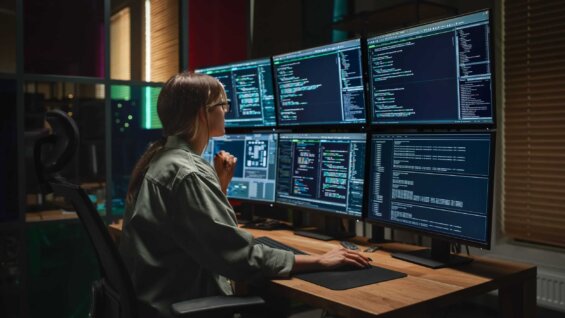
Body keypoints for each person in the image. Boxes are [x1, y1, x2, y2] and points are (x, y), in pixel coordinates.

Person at [119, 71, 370, 318]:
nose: (226, 110)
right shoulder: (187, 173)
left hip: (158, 299)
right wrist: (319, 261)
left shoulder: (162, 159)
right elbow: (241, 258)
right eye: (222, 104)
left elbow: (200, 232)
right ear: (201, 114)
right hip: (180, 305)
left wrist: (219, 188)